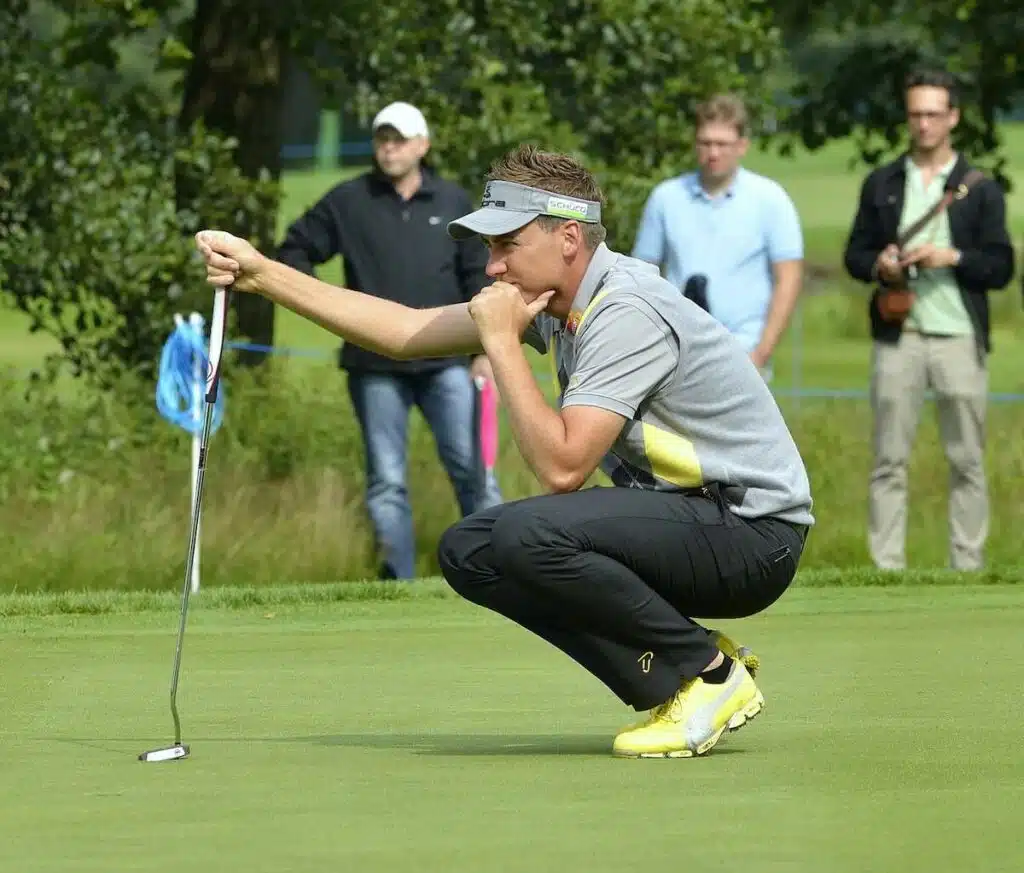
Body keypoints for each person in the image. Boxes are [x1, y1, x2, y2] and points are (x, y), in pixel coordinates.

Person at [194, 144, 815, 759]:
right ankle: (680, 676)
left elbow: (562, 468)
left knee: (527, 533)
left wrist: (501, 344)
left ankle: (707, 675)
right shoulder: (554, 301)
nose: (492, 266)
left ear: (568, 239)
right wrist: (262, 276)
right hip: (695, 521)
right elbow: (405, 333)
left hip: (753, 536)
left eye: (506, 245)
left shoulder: (627, 309)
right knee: (472, 549)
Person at [276, 100, 503, 581]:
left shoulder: (452, 202)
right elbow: (294, 250)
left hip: (447, 360)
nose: (389, 148)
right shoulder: (347, 201)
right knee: (387, 482)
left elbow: (479, 279)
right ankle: (398, 582)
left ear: (423, 145)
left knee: (472, 468)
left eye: (399, 139)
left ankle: (496, 568)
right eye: (382, 138)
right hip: (373, 364)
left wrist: (485, 351)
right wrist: (327, 303)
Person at [843, 68, 1014, 571]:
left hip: (960, 337)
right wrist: (883, 264)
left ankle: (967, 563)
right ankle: (886, 567)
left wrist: (952, 258)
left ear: (953, 117)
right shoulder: (883, 182)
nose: (923, 124)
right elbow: (856, 255)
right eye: (916, 113)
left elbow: (1001, 266)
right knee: (889, 459)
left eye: (933, 114)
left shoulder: (979, 188)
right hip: (900, 337)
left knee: (966, 459)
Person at [631, 94, 804, 381]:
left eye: (722, 144)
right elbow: (640, 276)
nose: (713, 153)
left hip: (743, 352)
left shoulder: (770, 199)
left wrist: (761, 353)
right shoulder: (666, 198)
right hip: (674, 352)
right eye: (706, 143)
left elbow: (789, 279)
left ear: (742, 146)